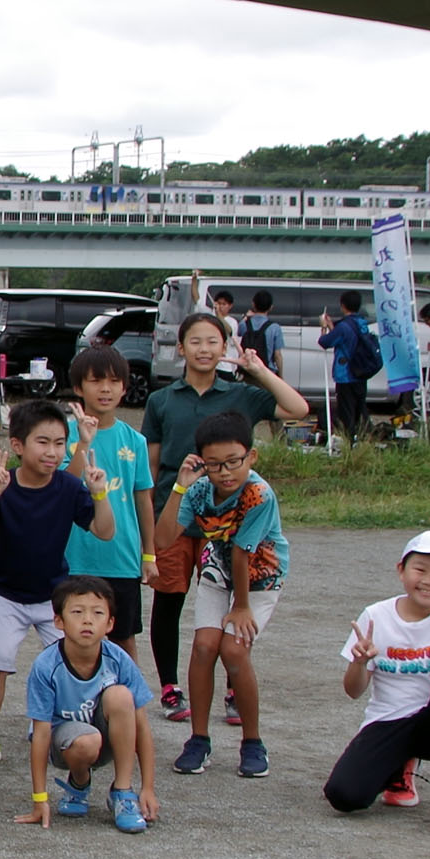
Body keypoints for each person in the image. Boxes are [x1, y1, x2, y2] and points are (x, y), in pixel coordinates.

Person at [142, 310, 310, 730]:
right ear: (180, 348)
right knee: (170, 601)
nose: (204, 349)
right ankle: (169, 686)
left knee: (234, 601)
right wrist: (152, 515)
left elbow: (297, 407)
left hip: (232, 521)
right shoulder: (162, 400)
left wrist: (258, 370)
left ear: (225, 348)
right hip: (179, 510)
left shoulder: (241, 395)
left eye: (213, 341)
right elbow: (151, 466)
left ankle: (235, 687)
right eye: (194, 342)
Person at [0, 399, 115, 769]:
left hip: (54, 594)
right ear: (18, 446)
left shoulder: (68, 486)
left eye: (60, 443)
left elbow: (104, 532)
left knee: (75, 659)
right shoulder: (4, 483)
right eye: (42, 442)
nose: (52, 452)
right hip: (4, 591)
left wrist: (99, 493)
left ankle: (65, 725)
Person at [325, 530, 430, 835]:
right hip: (388, 722)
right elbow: (353, 691)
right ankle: (398, 766)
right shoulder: (376, 616)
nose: (429, 580)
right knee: (344, 796)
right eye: (420, 569)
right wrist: (360, 662)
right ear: (401, 571)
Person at [154, 412, 288, 779]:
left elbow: (244, 552)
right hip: (219, 569)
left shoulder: (259, 494)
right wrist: (180, 487)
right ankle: (199, 739)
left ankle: (252, 741)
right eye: (214, 465)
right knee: (203, 647)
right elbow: (164, 540)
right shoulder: (198, 490)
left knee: (233, 649)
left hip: (260, 577)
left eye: (234, 462)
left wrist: (242, 607)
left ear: (251, 457)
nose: (225, 472)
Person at [12, 577, 155, 833]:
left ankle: (122, 792)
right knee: (86, 740)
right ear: (59, 621)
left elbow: (142, 725)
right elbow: (41, 732)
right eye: (77, 612)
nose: (87, 620)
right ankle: (79, 782)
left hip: (110, 738)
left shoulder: (119, 660)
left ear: (110, 623)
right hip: (67, 744)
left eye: (98, 613)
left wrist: (148, 788)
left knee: (121, 696)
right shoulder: (46, 666)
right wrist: (39, 799)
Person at [60, 346, 153, 669]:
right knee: (73, 636)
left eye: (114, 381)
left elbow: (143, 499)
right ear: (78, 387)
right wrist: (82, 444)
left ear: (125, 388)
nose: (105, 389)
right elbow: (64, 488)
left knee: (123, 637)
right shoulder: (64, 436)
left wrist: (149, 554)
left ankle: (130, 705)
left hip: (121, 558)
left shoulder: (135, 440)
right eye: (96, 380)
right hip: (74, 557)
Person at [317, 291, 378, 441]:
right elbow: (347, 341)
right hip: (360, 372)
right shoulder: (362, 323)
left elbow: (324, 342)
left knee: (347, 412)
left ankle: (350, 442)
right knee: (360, 408)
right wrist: (332, 326)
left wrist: (323, 327)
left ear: (342, 305)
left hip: (346, 375)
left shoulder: (344, 326)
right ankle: (362, 438)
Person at [239, 289, 284, 382]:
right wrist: (281, 376)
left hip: (248, 372)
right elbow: (277, 355)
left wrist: (246, 317)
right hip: (267, 373)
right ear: (271, 307)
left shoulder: (244, 324)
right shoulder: (274, 327)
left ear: (253, 304)